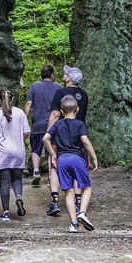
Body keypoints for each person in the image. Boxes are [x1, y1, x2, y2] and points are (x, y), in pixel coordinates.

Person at [43, 95, 98, 232]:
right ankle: (82, 213)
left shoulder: (57, 124)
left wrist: (53, 154)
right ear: (77, 110)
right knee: (86, 188)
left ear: (61, 112)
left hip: (62, 160)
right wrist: (94, 157)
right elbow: (84, 140)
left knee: (68, 192)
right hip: (77, 159)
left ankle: (73, 224)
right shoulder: (80, 124)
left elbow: (45, 138)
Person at [45, 65, 89, 216]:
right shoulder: (84, 95)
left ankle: (55, 201)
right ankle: (78, 203)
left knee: (54, 165)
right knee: (78, 166)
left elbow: (55, 114)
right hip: (78, 134)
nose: (63, 75)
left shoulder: (61, 93)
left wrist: (49, 134)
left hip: (61, 134)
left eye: (65, 74)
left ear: (69, 78)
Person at [0, 89, 31, 221]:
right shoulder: (20, 113)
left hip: (2, 152)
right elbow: (26, 133)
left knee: (4, 181)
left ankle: (6, 213)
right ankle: (19, 197)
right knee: (17, 179)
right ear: (13, 99)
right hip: (18, 151)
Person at [23, 65, 63, 187]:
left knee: (36, 149)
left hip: (37, 124)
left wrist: (24, 121)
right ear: (52, 75)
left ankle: (36, 171)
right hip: (53, 125)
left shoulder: (34, 86)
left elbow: (28, 104)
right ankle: (51, 177)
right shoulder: (59, 88)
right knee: (51, 150)